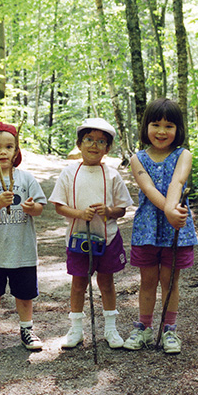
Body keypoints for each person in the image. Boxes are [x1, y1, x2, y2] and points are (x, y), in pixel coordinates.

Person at [49, 118, 133, 349]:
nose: (94, 145)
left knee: (106, 283)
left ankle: (111, 329)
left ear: (107, 148)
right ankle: (75, 329)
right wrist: (78, 213)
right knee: (79, 283)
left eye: (101, 141)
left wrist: (108, 211)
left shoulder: (112, 175)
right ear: (79, 144)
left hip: (108, 238)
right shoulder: (69, 172)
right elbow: (58, 205)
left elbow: (122, 209)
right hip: (78, 238)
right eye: (89, 139)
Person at [124, 98, 198, 354]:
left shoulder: (183, 154)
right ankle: (143, 327)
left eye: (169, 125)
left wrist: (171, 212)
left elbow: (177, 183)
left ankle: (169, 330)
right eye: (156, 124)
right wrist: (168, 210)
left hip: (175, 226)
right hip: (148, 227)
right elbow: (148, 188)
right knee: (148, 280)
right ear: (146, 127)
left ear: (178, 129)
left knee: (170, 280)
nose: (162, 131)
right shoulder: (137, 158)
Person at [0, 121, 47, 351]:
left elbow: (40, 207)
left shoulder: (26, 179)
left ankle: (27, 328)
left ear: (16, 150)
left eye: (9, 147)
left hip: (22, 252)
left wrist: (31, 208)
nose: (3, 151)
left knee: (24, 294)